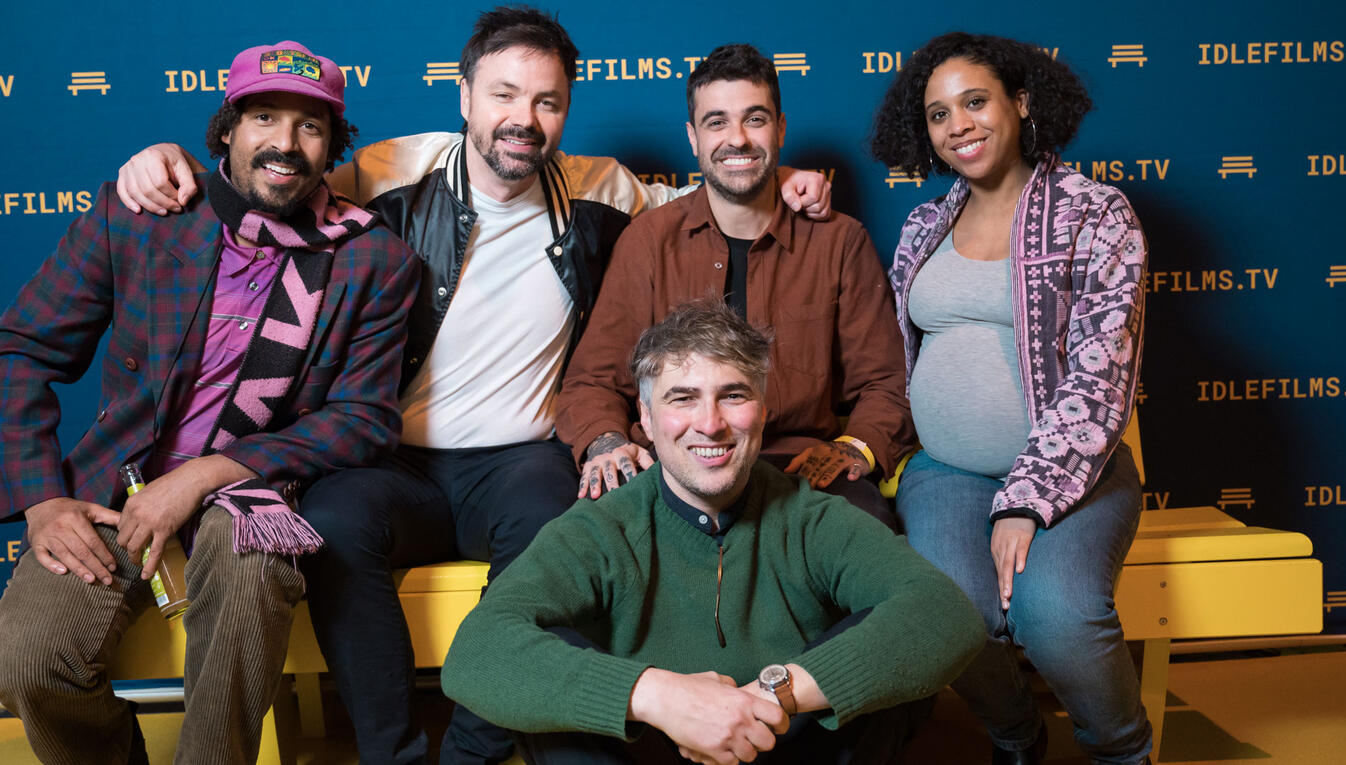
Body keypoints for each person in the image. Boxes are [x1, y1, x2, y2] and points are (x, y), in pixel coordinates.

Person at [112, 10, 831, 764]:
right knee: (333, 523)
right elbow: (276, 181)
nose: (524, 120)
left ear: (566, 111)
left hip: (522, 458)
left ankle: (472, 751)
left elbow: (714, 191)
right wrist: (170, 163)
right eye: (504, 95)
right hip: (393, 453)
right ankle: (391, 754)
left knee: (560, 530)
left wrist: (786, 181)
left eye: (547, 102)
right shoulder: (389, 172)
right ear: (464, 96)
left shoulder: (603, 188)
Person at [0, 41, 418, 764]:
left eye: (311, 126)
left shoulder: (371, 258)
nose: (285, 144)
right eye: (264, 117)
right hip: (115, 491)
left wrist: (200, 475)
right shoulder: (139, 216)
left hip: (259, 489)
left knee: (250, 564)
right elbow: (21, 351)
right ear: (227, 127)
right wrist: (43, 499)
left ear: (334, 144)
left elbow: (363, 415)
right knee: (29, 664)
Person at [443, 300, 983, 765]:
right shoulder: (601, 526)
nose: (710, 423)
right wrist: (663, 698)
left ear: (763, 412)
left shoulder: (809, 516)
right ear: (647, 421)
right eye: (682, 398)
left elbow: (944, 613)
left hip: (783, 748)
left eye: (733, 395)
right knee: (543, 675)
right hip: (645, 751)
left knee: (893, 659)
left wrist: (768, 698)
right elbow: (476, 654)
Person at [869, 32, 1151, 764]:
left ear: (1021, 103)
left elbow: (1101, 374)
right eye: (938, 114)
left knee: (1057, 615)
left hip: (1071, 475)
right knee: (946, 612)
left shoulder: (1095, 213)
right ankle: (1016, 733)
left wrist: (1028, 498)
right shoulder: (923, 225)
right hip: (946, 474)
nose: (957, 124)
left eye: (974, 101)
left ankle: (1121, 750)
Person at [557, 44, 910, 528]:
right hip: (673, 469)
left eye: (755, 119)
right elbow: (592, 381)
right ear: (693, 137)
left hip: (799, 470)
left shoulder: (839, 242)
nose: (737, 139)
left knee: (872, 543)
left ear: (781, 128)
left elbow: (886, 383)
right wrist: (606, 441)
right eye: (717, 122)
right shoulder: (648, 241)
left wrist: (858, 445)